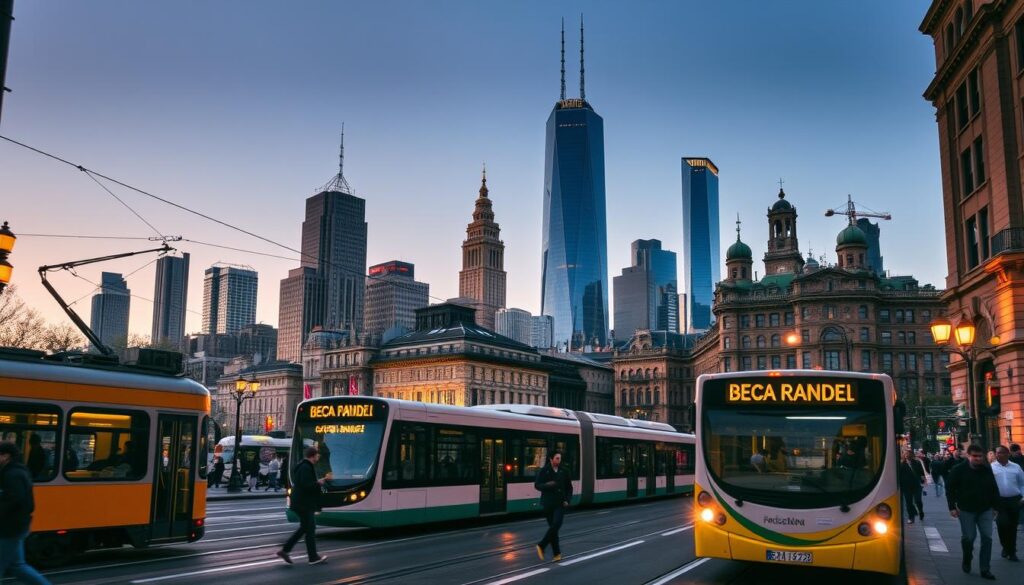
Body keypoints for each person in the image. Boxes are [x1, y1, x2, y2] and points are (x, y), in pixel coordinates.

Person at [947, 444, 1000, 580]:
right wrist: (952, 507)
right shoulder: (958, 470)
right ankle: (967, 556)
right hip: (966, 510)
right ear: (968, 456)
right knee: (969, 538)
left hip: (985, 509)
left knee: (987, 538)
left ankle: (985, 569)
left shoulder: (986, 469)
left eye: (980, 456)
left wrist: (995, 507)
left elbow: (993, 488)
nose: (978, 459)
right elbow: (950, 489)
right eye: (974, 456)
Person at [0, 441, 51, 585]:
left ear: (5, 456)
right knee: (18, 566)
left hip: (10, 527)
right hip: (16, 525)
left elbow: (13, 499)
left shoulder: (12, 474)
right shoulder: (14, 471)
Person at [277, 446, 327, 565]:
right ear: (312, 456)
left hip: (301, 503)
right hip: (303, 504)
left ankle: (285, 550)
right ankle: (313, 557)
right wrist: (318, 483)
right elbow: (306, 485)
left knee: (305, 528)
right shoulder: (306, 467)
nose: (318, 457)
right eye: (317, 455)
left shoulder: (304, 466)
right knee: (310, 529)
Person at [534, 450, 573, 562]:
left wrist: (567, 500)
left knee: (556, 524)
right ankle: (557, 554)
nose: (559, 460)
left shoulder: (564, 471)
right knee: (553, 529)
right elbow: (537, 485)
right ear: (551, 459)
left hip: (560, 503)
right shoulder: (544, 471)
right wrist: (547, 485)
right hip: (548, 504)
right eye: (557, 458)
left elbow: (569, 488)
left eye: (559, 458)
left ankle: (542, 545)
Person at [991, 445, 1024, 562]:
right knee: (1002, 524)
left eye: (1001, 453)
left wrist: (1023, 496)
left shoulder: (1016, 467)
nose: (999, 455)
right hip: (999, 501)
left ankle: (1012, 551)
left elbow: (1022, 483)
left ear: (1007, 454)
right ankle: (1005, 546)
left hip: (1014, 500)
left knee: (1013, 526)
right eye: (997, 453)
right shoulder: (992, 467)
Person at [899, 451, 925, 524]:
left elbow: (921, 472)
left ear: (911, 455)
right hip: (906, 486)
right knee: (908, 502)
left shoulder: (917, 462)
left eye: (908, 454)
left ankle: (921, 511)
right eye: (905, 454)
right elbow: (899, 475)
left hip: (916, 485)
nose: (907, 455)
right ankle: (911, 517)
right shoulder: (901, 464)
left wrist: (922, 479)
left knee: (918, 500)